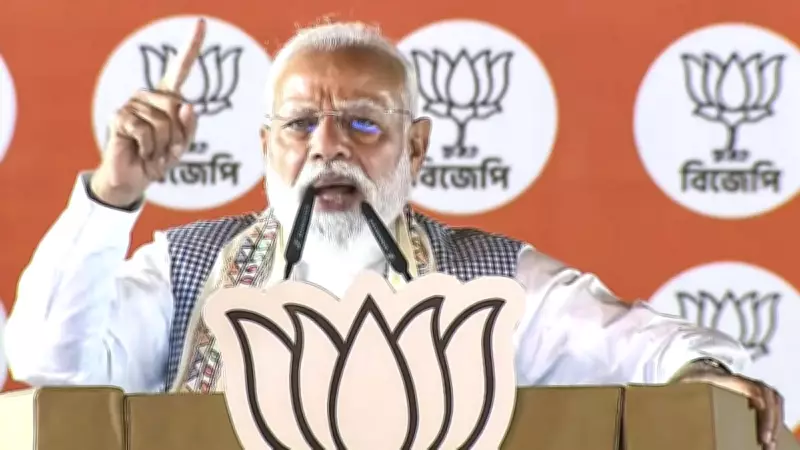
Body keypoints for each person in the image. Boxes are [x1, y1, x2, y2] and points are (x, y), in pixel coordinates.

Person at [4, 18, 784, 448]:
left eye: (363, 123)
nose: (328, 148)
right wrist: (114, 194)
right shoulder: (187, 268)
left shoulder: (491, 278)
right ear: (266, 146)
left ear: (417, 148)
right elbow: (47, 363)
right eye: (301, 124)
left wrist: (698, 370)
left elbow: (649, 345)